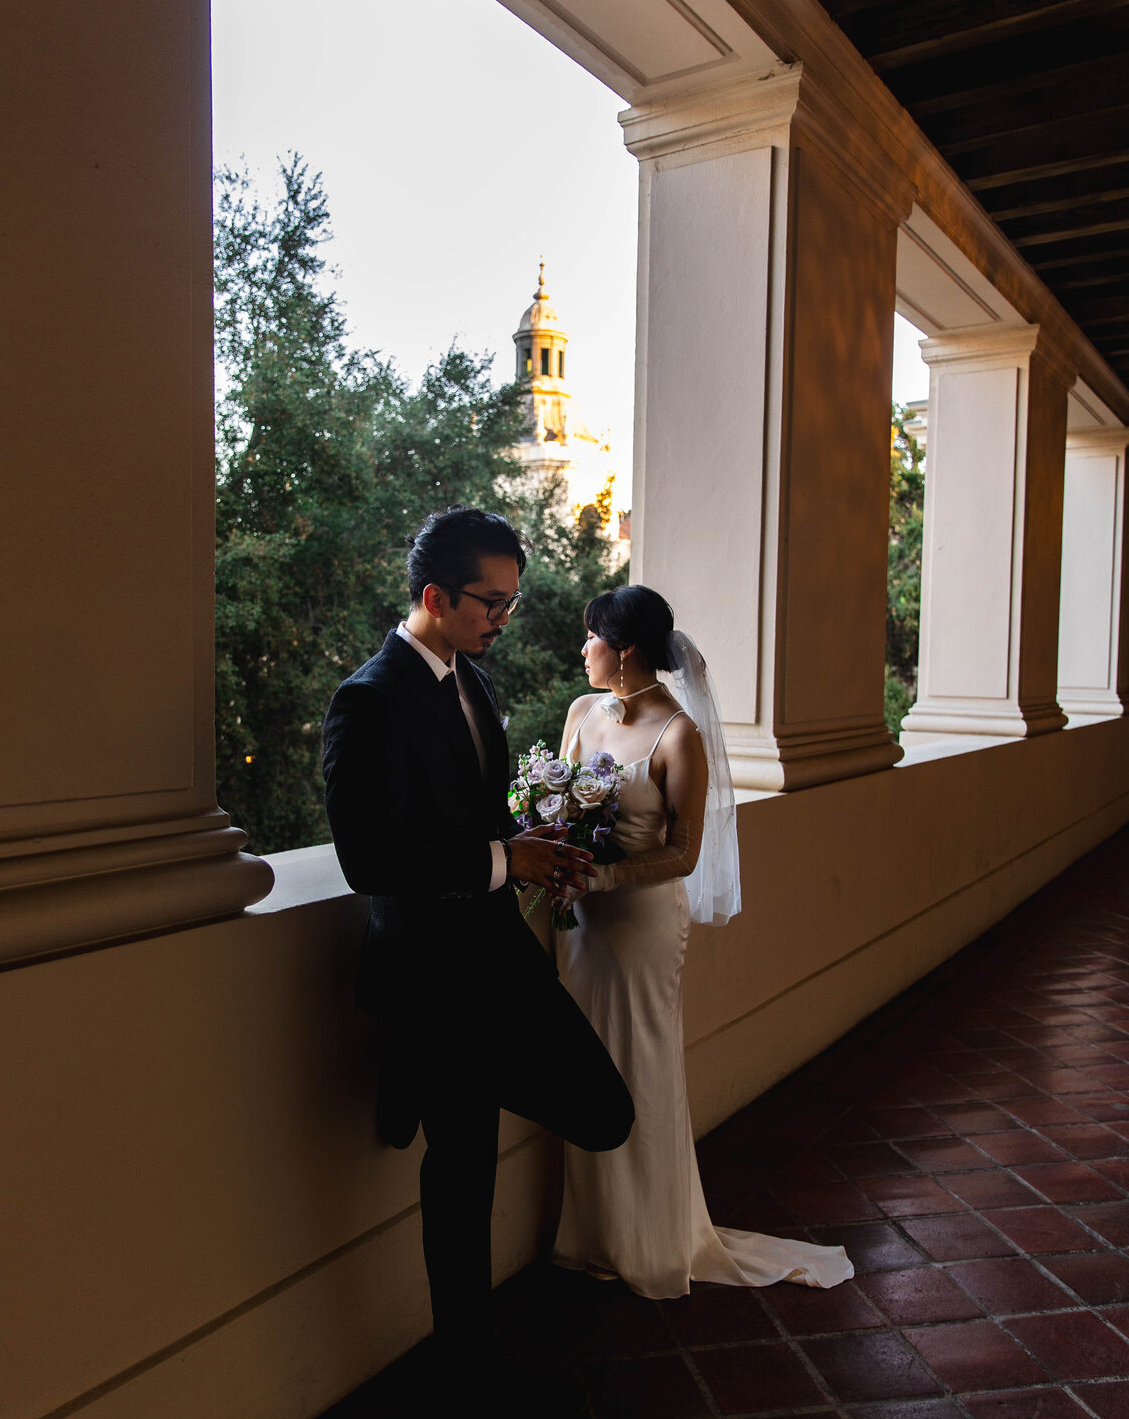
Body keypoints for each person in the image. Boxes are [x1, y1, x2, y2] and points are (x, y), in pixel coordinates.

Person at [322, 507, 635, 1371]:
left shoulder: (476, 681)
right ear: (433, 596)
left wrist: (537, 850)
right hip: (430, 974)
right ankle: (467, 1362)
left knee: (605, 1113)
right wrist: (506, 858)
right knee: (463, 1175)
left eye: (511, 601)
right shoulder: (368, 700)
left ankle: (420, 1080)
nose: (504, 618)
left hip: (496, 963)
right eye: (489, 603)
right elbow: (368, 858)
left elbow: (467, 816)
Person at [549, 584, 852, 1298]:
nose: (581, 648)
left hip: (638, 925)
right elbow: (555, 809)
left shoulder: (677, 734)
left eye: (591, 636)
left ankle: (649, 1242)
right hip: (582, 927)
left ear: (623, 650)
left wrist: (597, 881)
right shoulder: (582, 712)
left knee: (640, 1073)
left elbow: (683, 854)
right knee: (581, 1071)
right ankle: (593, 1232)